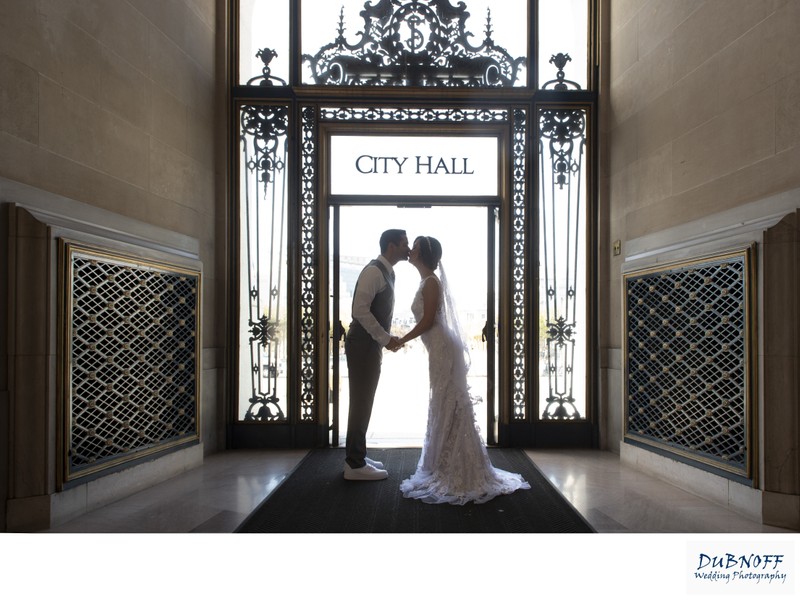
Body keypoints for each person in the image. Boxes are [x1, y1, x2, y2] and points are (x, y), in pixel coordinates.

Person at [397, 235, 531, 504]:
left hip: (444, 350)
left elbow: (427, 321)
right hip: (437, 350)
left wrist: (401, 339)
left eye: (414, 247)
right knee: (443, 401)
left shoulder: (431, 282)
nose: (409, 250)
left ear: (421, 253)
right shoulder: (427, 281)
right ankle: (444, 461)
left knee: (449, 401)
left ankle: (460, 466)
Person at [343, 228, 409, 481]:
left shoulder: (387, 272)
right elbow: (359, 311)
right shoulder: (374, 271)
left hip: (369, 345)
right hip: (363, 343)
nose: (408, 247)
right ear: (391, 246)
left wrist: (382, 341)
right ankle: (354, 464)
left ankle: (356, 455)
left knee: (363, 400)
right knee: (361, 401)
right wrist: (385, 338)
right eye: (404, 243)